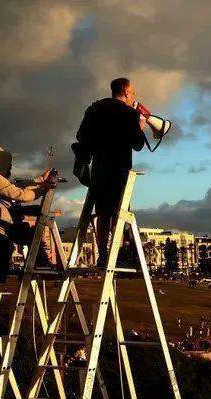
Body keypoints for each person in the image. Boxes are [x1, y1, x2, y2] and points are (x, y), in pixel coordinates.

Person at [0, 145, 55, 337]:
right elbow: (19, 194)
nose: (10, 166)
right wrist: (42, 189)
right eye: (7, 162)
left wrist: (38, 182)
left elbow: (15, 186)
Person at [74, 77, 147, 266]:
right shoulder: (129, 114)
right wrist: (140, 127)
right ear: (124, 91)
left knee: (103, 214)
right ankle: (116, 255)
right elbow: (138, 145)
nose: (133, 96)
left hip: (99, 169)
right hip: (120, 168)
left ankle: (103, 254)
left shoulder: (95, 109)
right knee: (119, 213)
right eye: (132, 92)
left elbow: (81, 136)